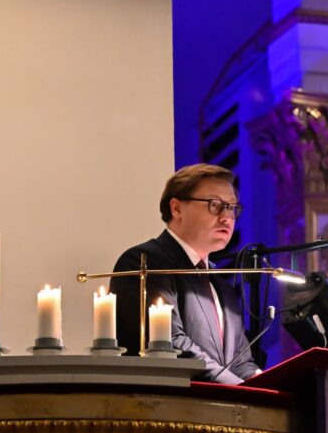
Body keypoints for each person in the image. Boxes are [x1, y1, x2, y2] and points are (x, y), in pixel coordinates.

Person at [110, 163, 259, 384]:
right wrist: (241, 389)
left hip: (221, 403)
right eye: (215, 205)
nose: (227, 217)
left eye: (232, 207)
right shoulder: (143, 263)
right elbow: (170, 342)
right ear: (177, 208)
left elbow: (241, 362)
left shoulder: (222, 286)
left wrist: (268, 385)